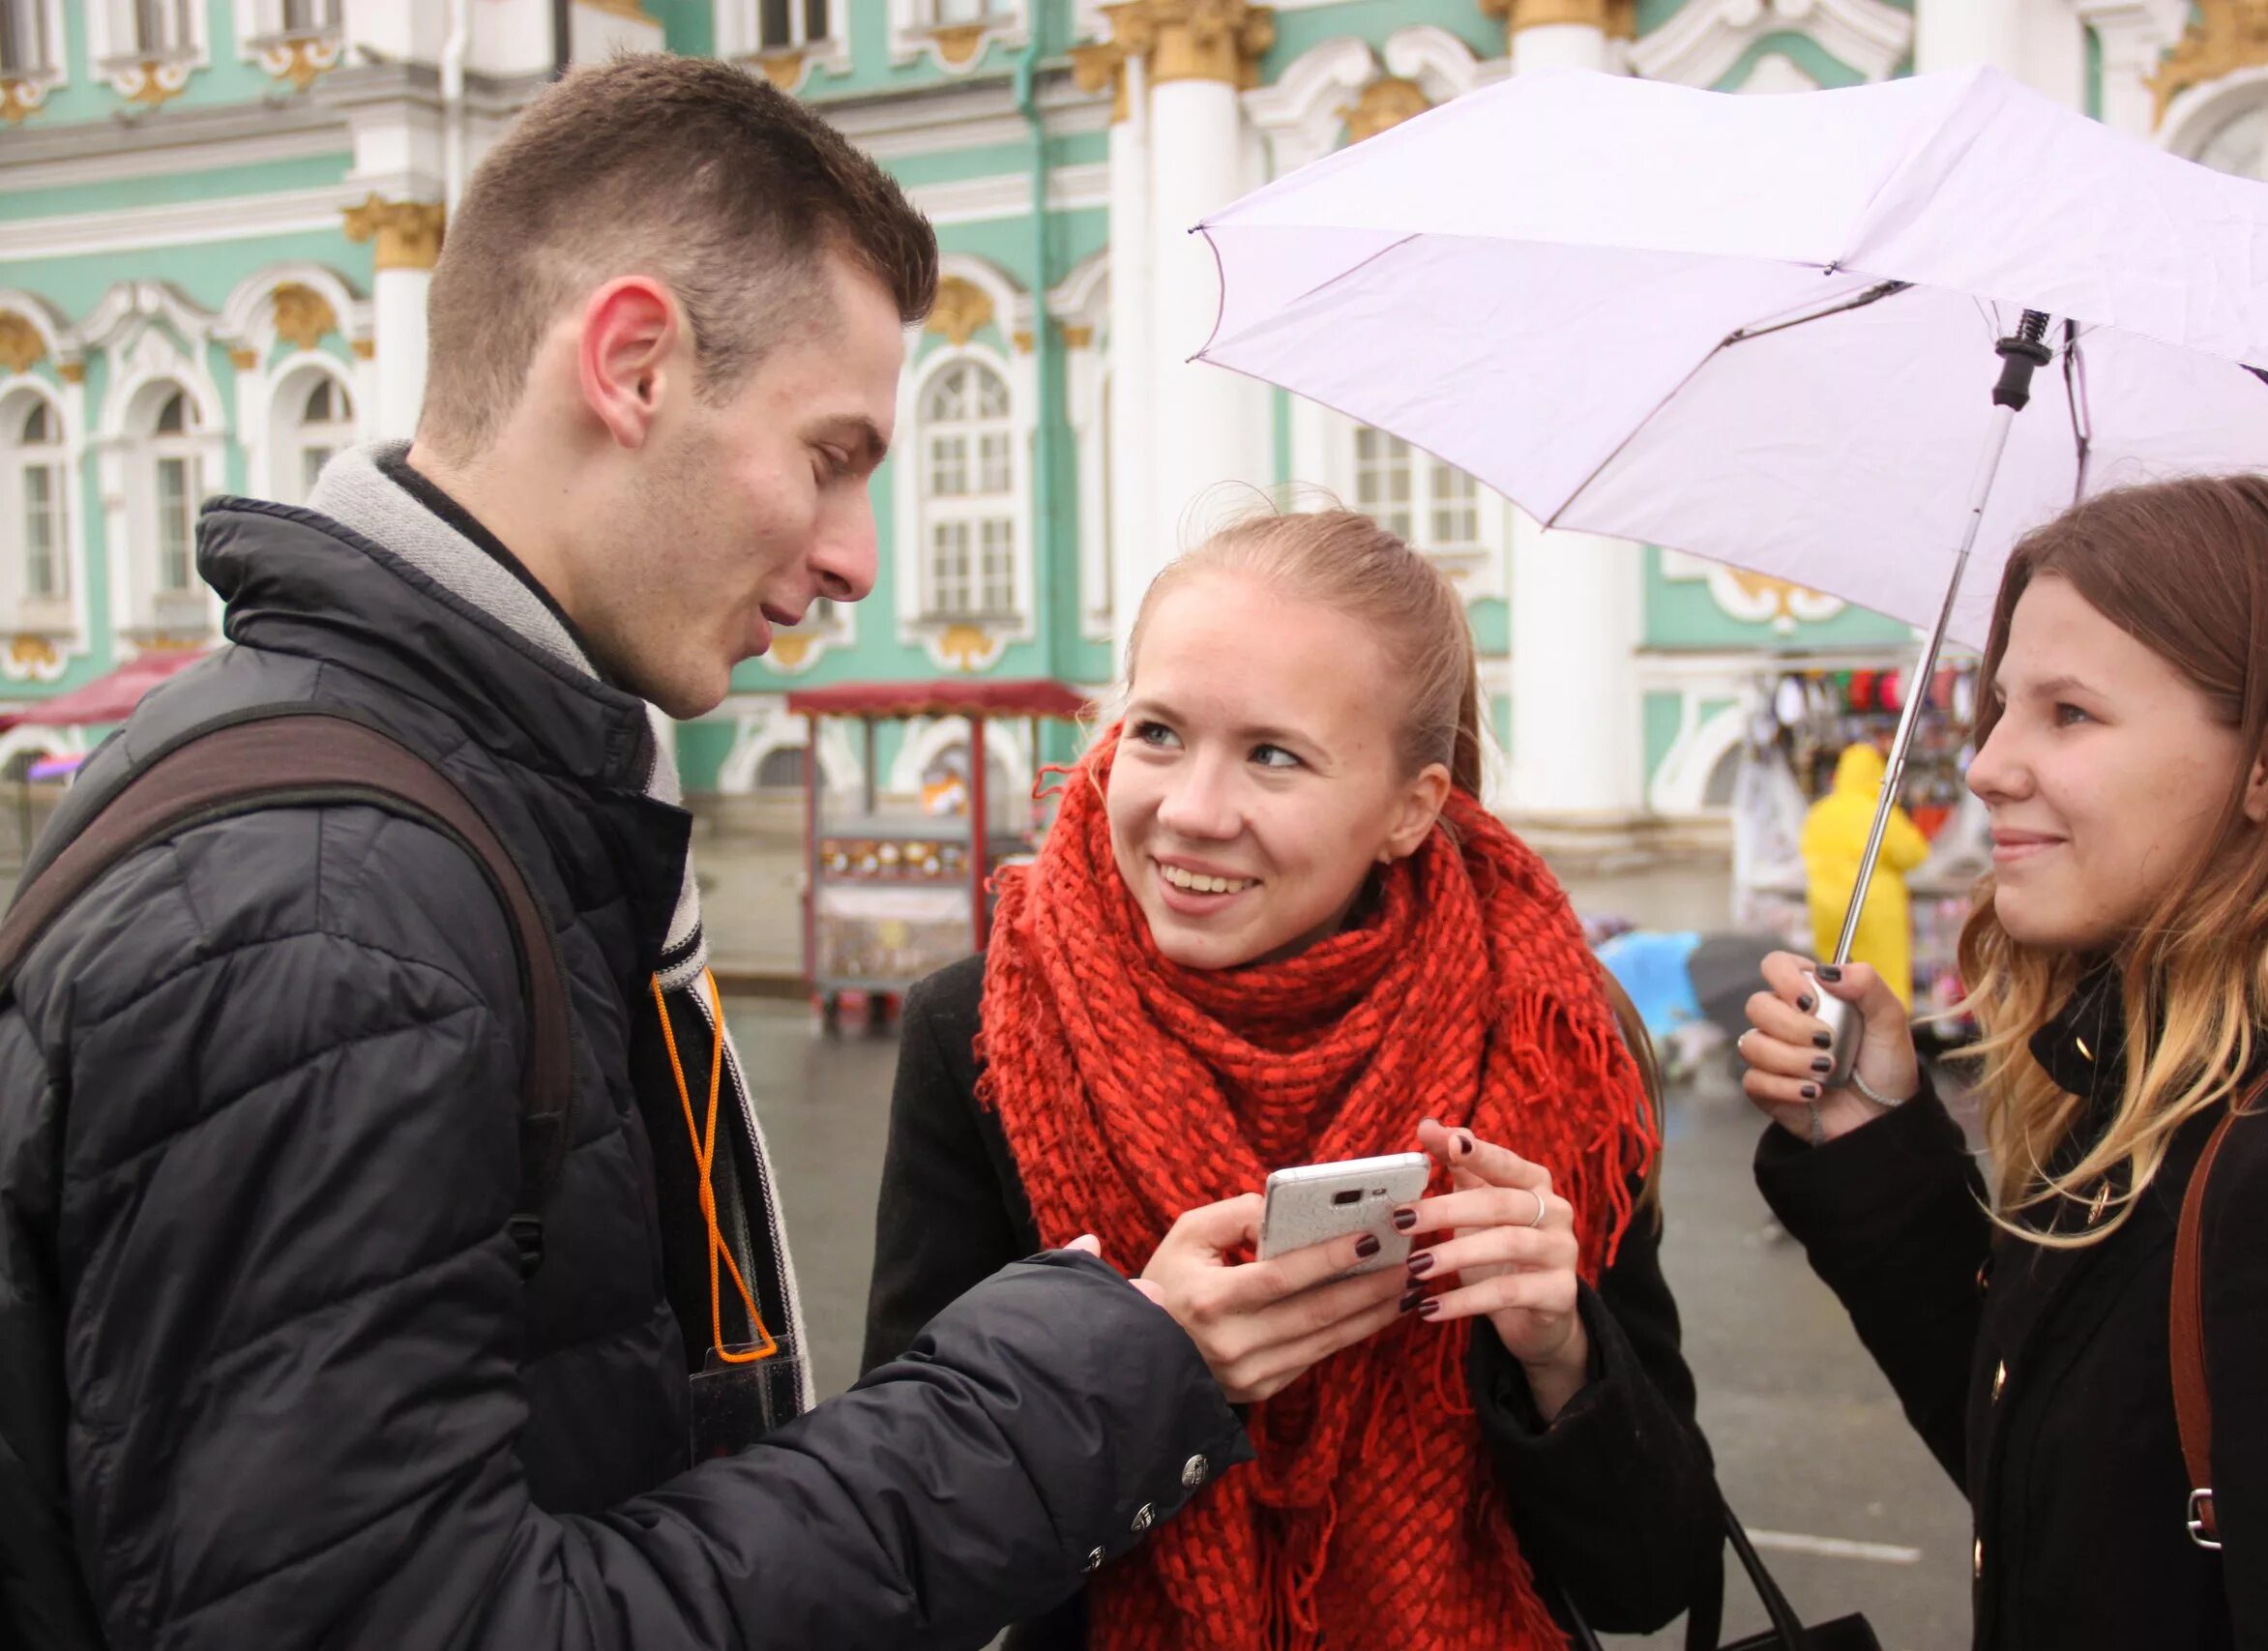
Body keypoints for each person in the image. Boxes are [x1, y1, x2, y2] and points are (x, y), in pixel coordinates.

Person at [0, 56, 1314, 1651]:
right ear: (632, 363)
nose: (852, 559)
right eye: (830, 454)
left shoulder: (440, 799)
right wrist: (1077, 1379)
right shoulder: (337, 920)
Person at [864, 509, 1723, 1649]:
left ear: (1409, 810)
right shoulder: (980, 1029)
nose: (1191, 811)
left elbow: (1649, 1578)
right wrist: (1134, 1372)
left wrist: (1559, 1351)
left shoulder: (1552, 1039)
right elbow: (898, 1544)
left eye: (1273, 755)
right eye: (1159, 731)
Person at [1739, 475, 2268, 1650]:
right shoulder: (2156, 1091)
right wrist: (1872, 1142)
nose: (1985, 765)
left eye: (2068, 714)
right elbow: (2071, 1505)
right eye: (1999, 707)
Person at [1800, 740, 1929, 1008]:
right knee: (1885, 983)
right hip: (1875, 911)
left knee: (1837, 979)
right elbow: (1913, 853)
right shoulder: (1879, 811)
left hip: (1827, 911)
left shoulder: (1820, 812)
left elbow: (1806, 851)